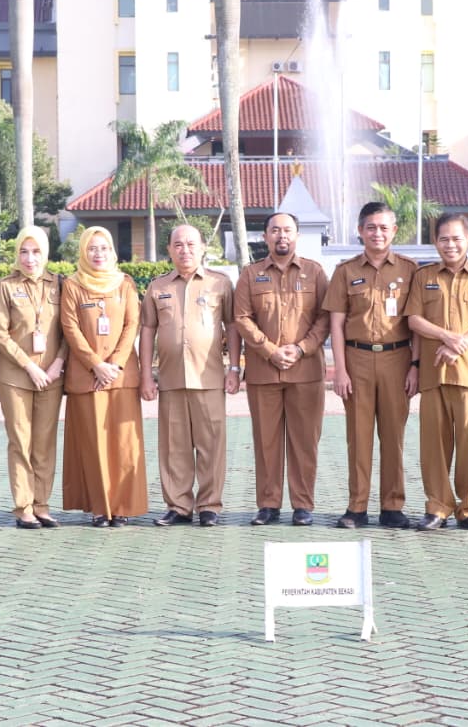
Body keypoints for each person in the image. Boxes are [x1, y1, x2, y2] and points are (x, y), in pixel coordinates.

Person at [325, 202, 419, 529]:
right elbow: (336, 324)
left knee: (394, 436)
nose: (377, 233)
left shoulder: (410, 270)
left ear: (394, 231)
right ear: (360, 231)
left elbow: (416, 323)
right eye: (371, 227)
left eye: (383, 227)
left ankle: (393, 506)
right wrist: (339, 370)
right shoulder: (345, 271)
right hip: (358, 359)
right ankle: (357, 507)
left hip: (398, 359)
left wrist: (415, 366)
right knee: (358, 437)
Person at [139, 224, 241, 528]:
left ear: (202, 248)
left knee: (211, 445)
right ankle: (178, 506)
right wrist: (146, 375)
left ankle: (209, 505)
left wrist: (234, 368)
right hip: (170, 379)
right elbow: (148, 330)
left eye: (191, 244)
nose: (185, 250)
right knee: (174, 447)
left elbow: (232, 326)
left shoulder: (220, 283)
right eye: (178, 245)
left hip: (208, 377)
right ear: (169, 250)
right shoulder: (157, 287)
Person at [234, 212, 330, 527]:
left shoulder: (315, 272)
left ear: (297, 235)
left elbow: (325, 317)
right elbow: (242, 318)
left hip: (306, 372)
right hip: (264, 372)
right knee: (266, 442)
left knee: (305, 442)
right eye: (275, 230)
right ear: (265, 237)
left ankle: (303, 505)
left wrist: (301, 348)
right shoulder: (250, 274)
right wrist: (270, 351)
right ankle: (268, 504)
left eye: (288, 230)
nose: (281, 236)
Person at [405, 213, 468, 531]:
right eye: (444, 239)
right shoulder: (423, 277)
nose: (450, 244)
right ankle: (438, 507)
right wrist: (447, 337)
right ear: (435, 242)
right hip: (434, 374)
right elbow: (414, 320)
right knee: (433, 445)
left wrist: (461, 344)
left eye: (457, 238)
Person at [60, 226, 147, 527]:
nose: (98, 254)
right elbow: (70, 328)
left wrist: (115, 365)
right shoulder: (72, 285)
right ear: (83, 252)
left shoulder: (125, 283)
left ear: (112, 251)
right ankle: (100, 508)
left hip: (121, 377)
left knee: (123, 444)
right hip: (88, 378)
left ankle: (121, 507)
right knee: (93, 443)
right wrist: (96, 364)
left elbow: (132, 325)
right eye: (92, 248)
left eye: (104, 248)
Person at [0, 226, 68, 529]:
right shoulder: (6, 286)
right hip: (16, 378)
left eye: (36, 252)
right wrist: (29, 366)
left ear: (46, 253)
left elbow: (69, 330)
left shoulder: (60, 284)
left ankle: (42, 504)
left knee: (44, 443)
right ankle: (23, 507)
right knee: (20, 442)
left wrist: (57, 363)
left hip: (51, 377)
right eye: (24, 251)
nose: (30, 258)